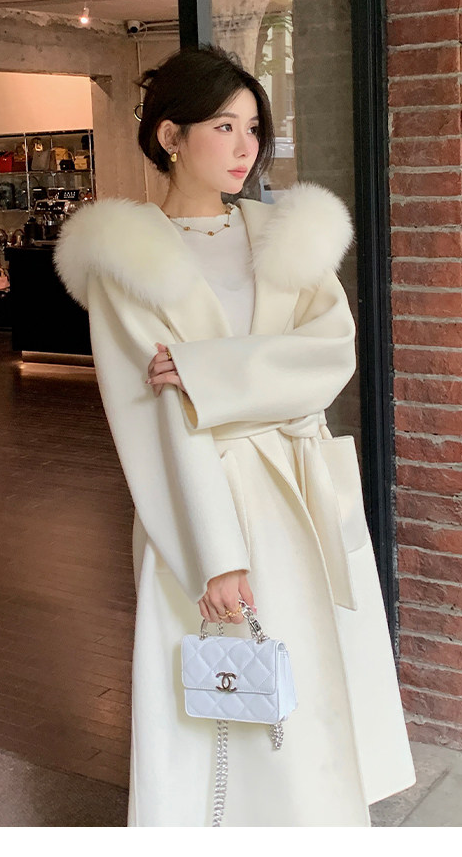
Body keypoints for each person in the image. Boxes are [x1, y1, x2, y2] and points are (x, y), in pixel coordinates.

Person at [54, 44, 416, 827]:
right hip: (201, 506)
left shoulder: (284, 235)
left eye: (254, 127)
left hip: (300, 492)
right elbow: (152, 421)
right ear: (170, 136)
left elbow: (332, 355)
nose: (246, 146)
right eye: (223, 126)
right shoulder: (127, 262)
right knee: (223, 698)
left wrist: (207, 374)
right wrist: (214, 556)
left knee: (306, 683)